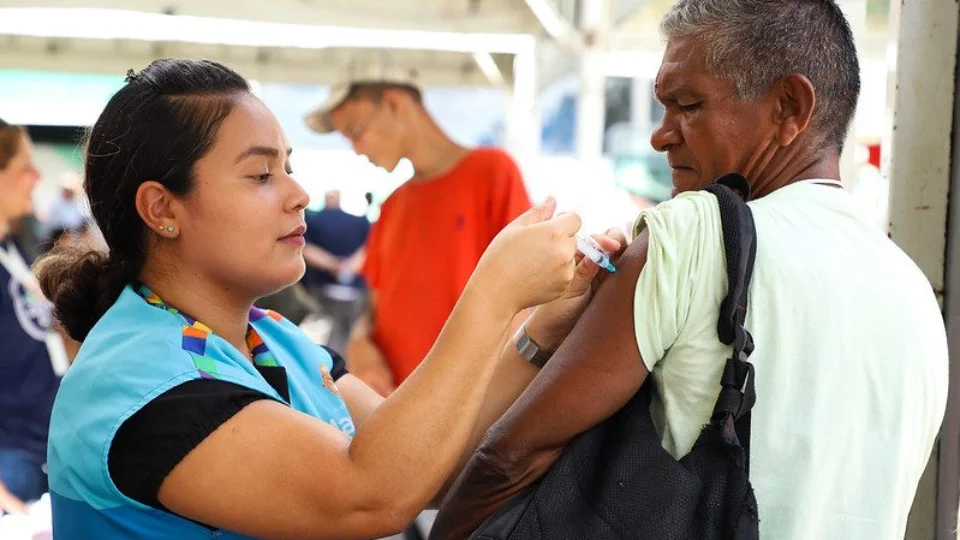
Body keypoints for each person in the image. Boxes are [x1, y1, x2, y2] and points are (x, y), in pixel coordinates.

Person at [37, 59, 620, 540]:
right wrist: (491, 297)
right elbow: (368, 497)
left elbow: (438, 465)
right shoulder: (137, 380)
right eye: (261, 175)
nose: (298, 194)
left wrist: (539, 332)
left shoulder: (273, 339)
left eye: (288, 167)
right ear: (162, 209)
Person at [431, 1, 949, 539]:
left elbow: (510, 457)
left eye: (688, 105)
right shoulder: (914, 294)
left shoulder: (693, 235)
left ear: (789, 107)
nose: (661, 135)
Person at [306, 64, 533, 396]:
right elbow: (373, 303)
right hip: (397, 403)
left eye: (356, 130)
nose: (356, 149)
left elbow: (527, 297)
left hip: (470, 407)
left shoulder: (493, 173)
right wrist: (360, 341)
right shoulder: (393, 204)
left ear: (395, 103)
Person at [0, 120, 60, 515]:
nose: (37, 176)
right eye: (24, 166)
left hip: (45, 446)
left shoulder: (13, 247)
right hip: (11, 462)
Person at [301, 189, 370, 353]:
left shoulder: (312, 221)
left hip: (320, 288)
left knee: (317, 338)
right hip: (354, 290)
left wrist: (332, 265)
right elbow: (368, 250)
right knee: (348, 338)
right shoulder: (360, 222)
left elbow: (305, 248)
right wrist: (347, 267)